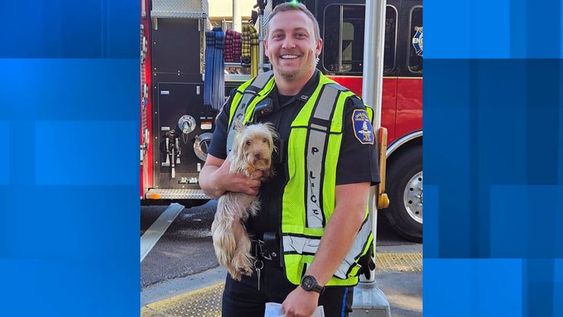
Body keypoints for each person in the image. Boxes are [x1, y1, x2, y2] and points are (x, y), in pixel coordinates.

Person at [199, 2, 379, 316]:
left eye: (300, 35)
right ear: (267, 45)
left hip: (314, 283)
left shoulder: (346, 109)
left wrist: (311, 285)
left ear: (317, 45)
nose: (288, 44)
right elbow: (207, 177)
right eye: (278, 35)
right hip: (246, 274)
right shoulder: (241, 100)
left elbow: (352, 209)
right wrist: (221, 180)